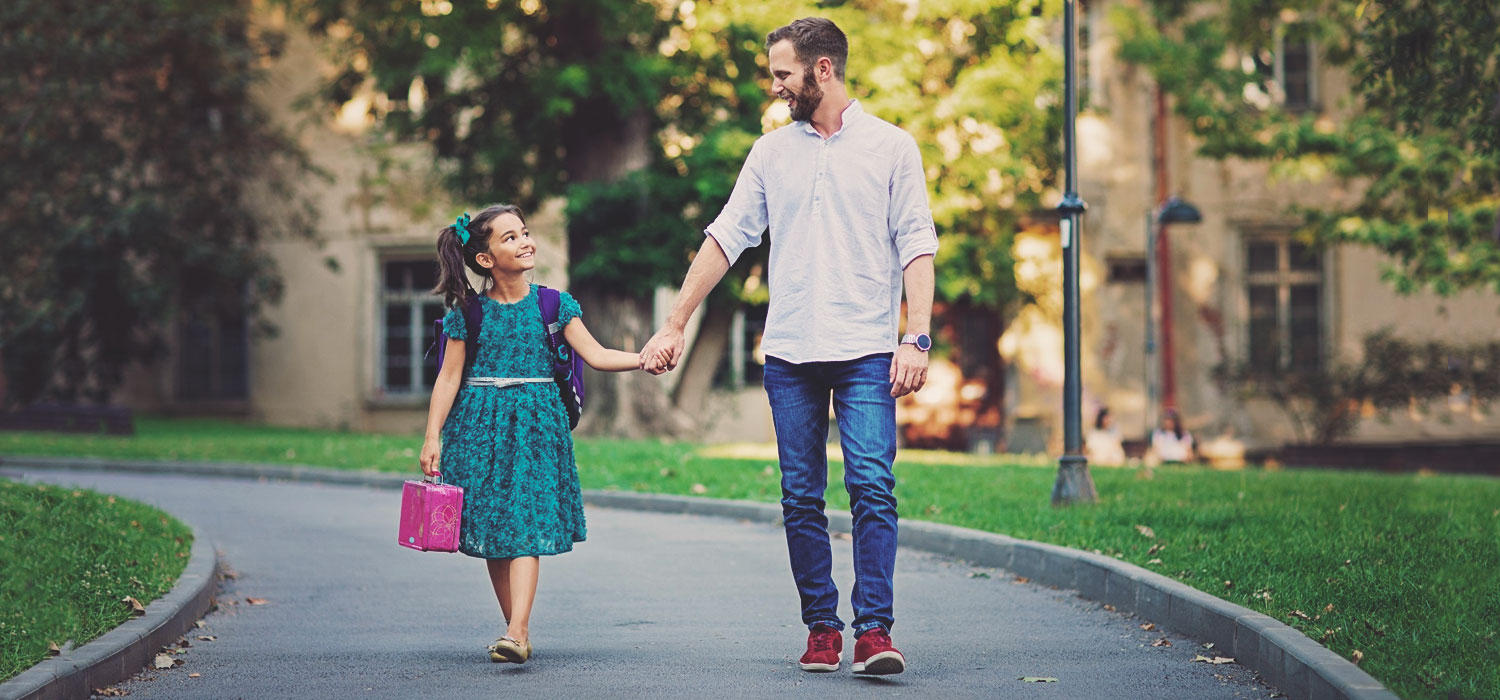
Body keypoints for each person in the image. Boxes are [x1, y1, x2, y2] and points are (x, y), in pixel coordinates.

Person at [639, 17, 938, 676]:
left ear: (822, 70)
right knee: (802, 496)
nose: (775, 85)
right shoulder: (771, 153)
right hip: (791, 352)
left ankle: (875, 631)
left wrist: (915, 334)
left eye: (783, 72)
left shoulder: (892, 146)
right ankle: (822, 629)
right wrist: (677, 321)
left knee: (872, 487)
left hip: (866, 349)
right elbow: (726, 238)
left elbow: (917, 241)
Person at [418, 204, 641, 664]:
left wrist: (645, 358)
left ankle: (517, 632)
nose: (525, 242)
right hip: (478, 427)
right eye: (510, 238)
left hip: (538, 425)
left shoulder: (554, 304)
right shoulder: (469, 313)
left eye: (525, 233)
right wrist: (432, 436)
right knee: (494, 530)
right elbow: (448, 377)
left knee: (523, 523)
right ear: (485, 259)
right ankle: (515, 631)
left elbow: (596, 355)